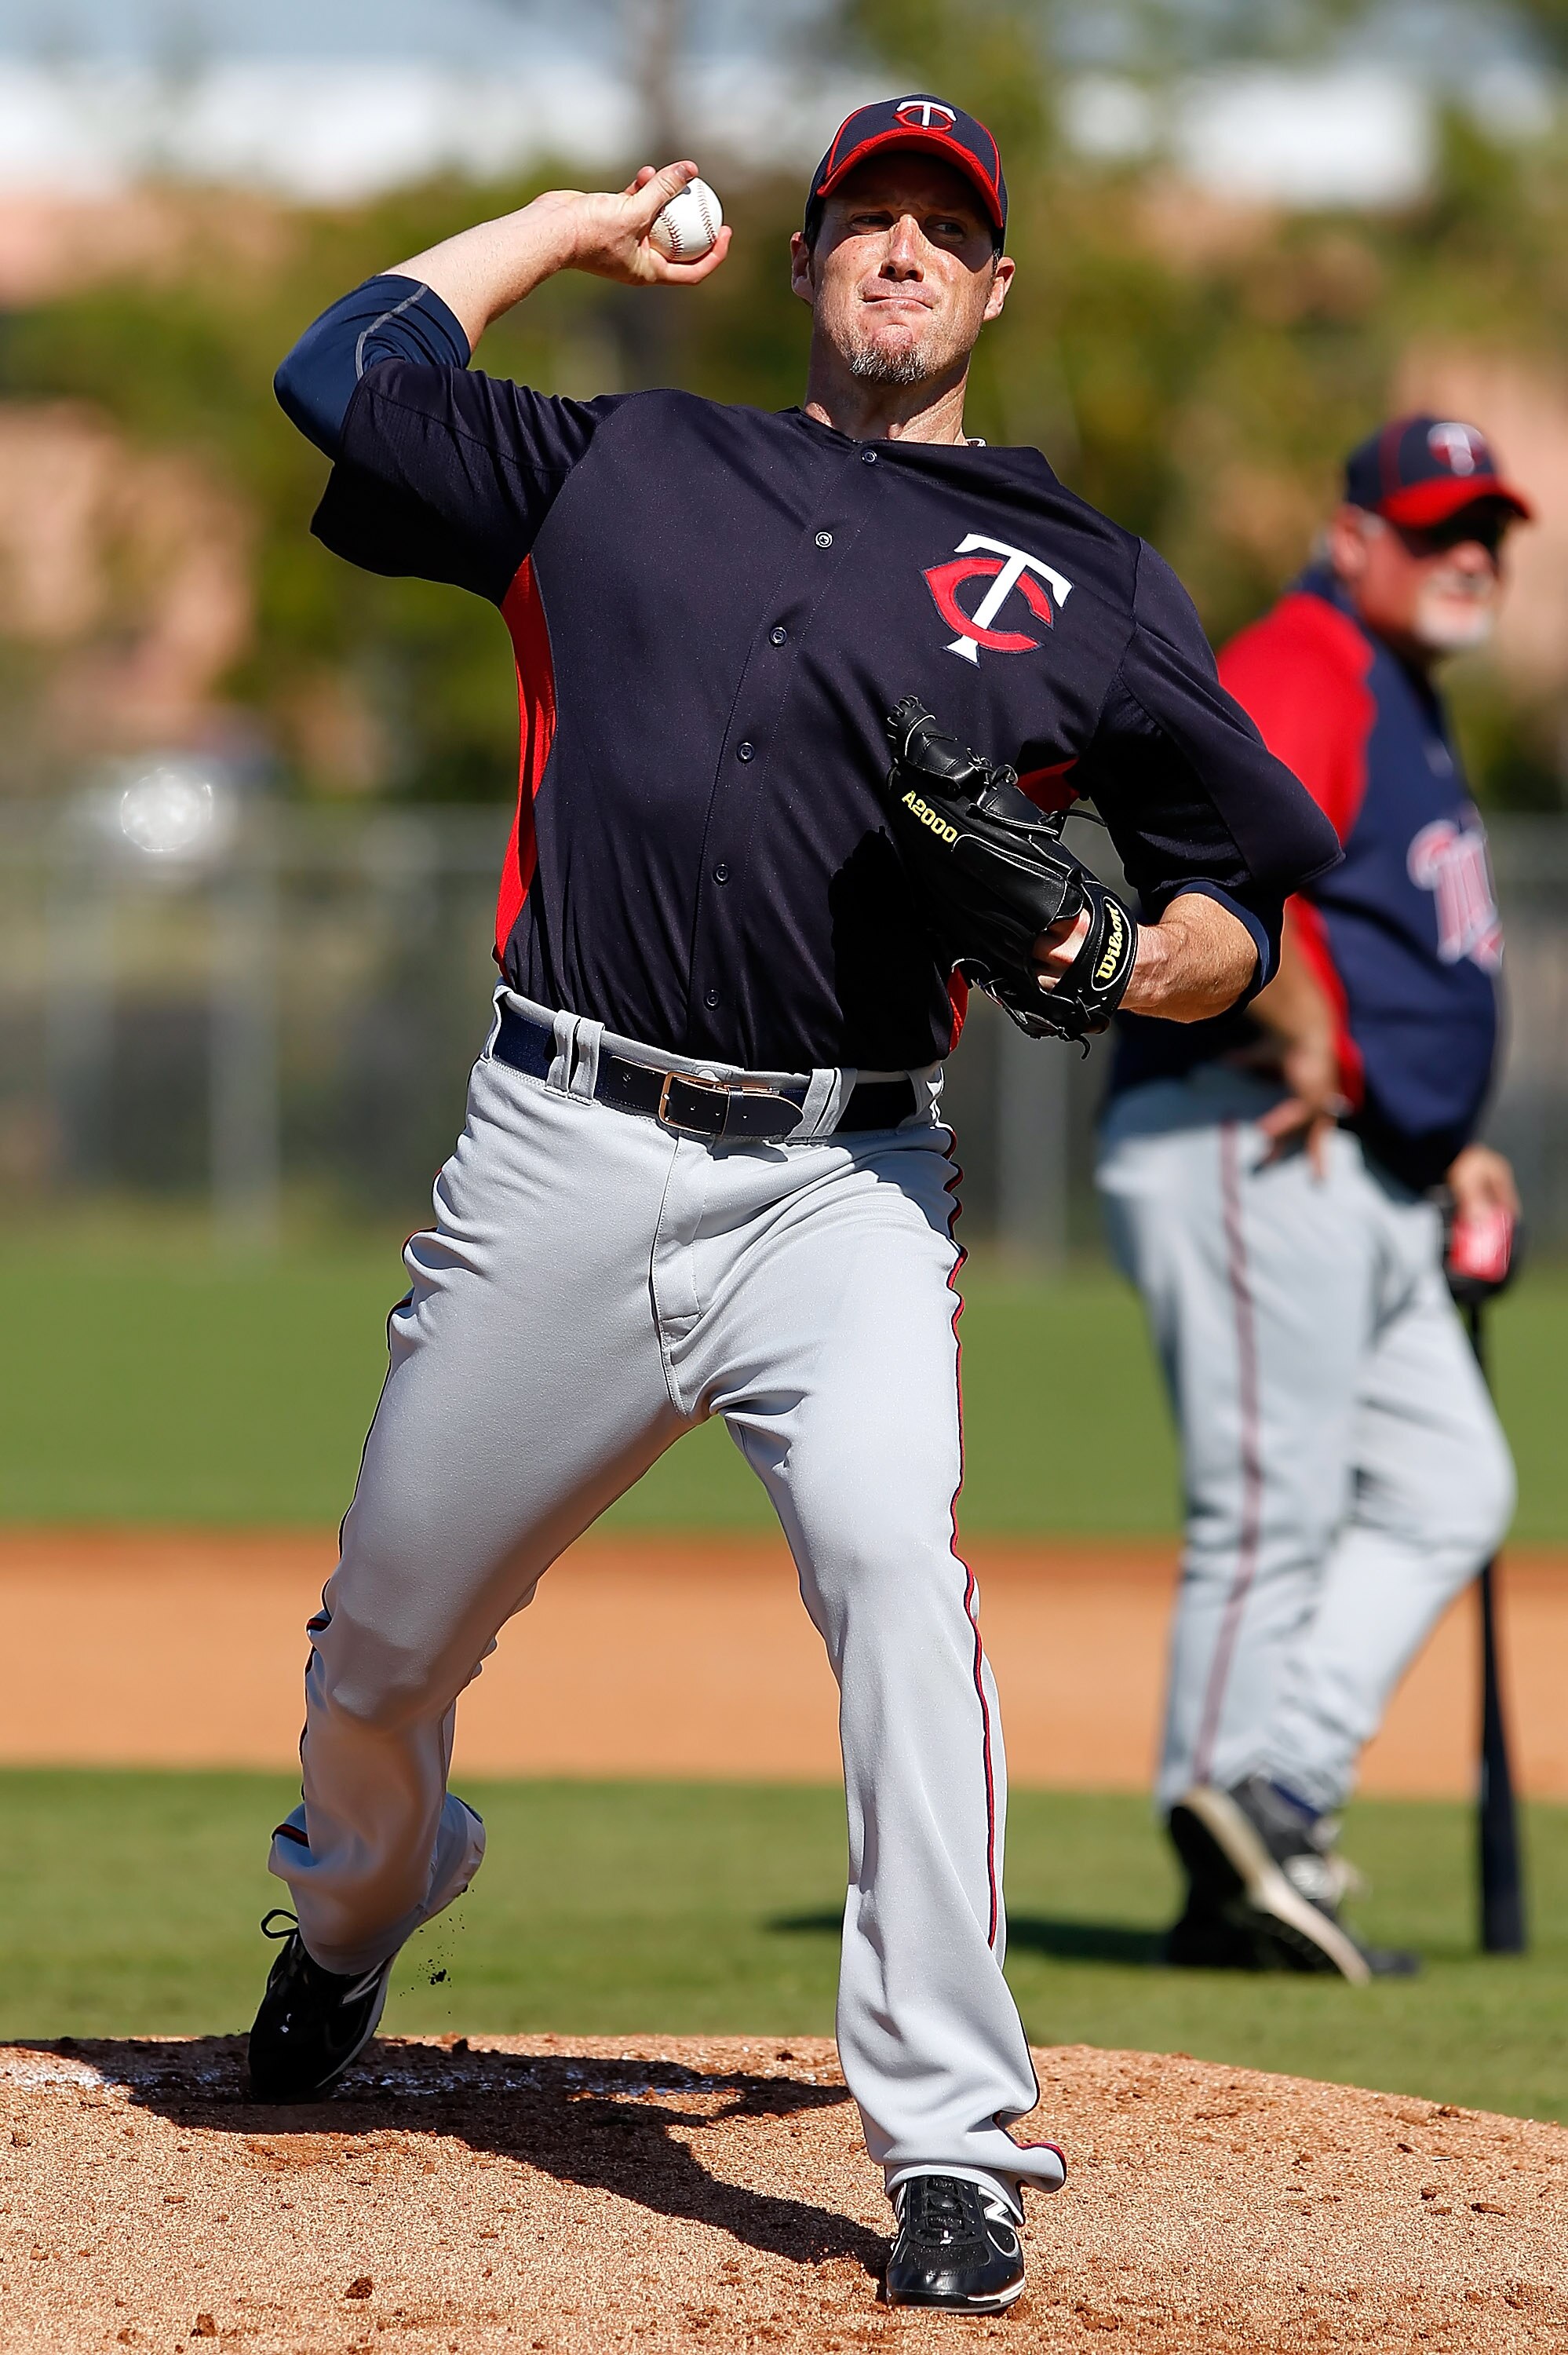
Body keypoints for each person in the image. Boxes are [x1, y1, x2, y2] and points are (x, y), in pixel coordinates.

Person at [247, 93, 1335, 2311]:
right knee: (381, 1646)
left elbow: (1245, 883)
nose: (903, 251)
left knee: (894, 1592)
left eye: (947, 226)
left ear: (994, 285)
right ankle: (360, 1905)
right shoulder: (627, 470)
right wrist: (567, 221)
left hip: (838, 1184)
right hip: (558, 1137)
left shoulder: (1079, 580)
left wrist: (1129, 957)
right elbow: (339, 378)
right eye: (867, 218)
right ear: (805, 262)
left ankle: (946, 2131)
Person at [1097, 414, 1529, 1981]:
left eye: (1488, 530)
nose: (1470, 556)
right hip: (1250, 1130)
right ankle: (1222, 1824)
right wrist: (1314, 1039)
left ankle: (1277, 1794)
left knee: (1446, 1488)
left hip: (1369, 1166)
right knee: (1271, 1497)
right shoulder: (1313, 654)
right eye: (1434, 529)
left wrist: (1437, 1132)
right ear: (1355, 541)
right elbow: (1211, 859)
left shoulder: (1398, 691)